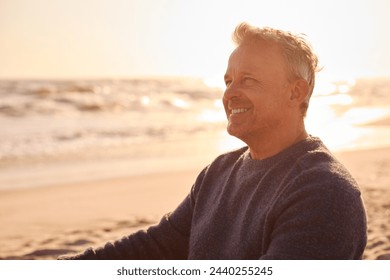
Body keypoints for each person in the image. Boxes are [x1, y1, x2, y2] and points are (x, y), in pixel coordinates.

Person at [59, 23, 367, 260]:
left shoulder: (324, 191)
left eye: (248, 80)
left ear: (295, 92)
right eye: (228, 81)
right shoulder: (219, 171)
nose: (230, 94)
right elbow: (158, 246)